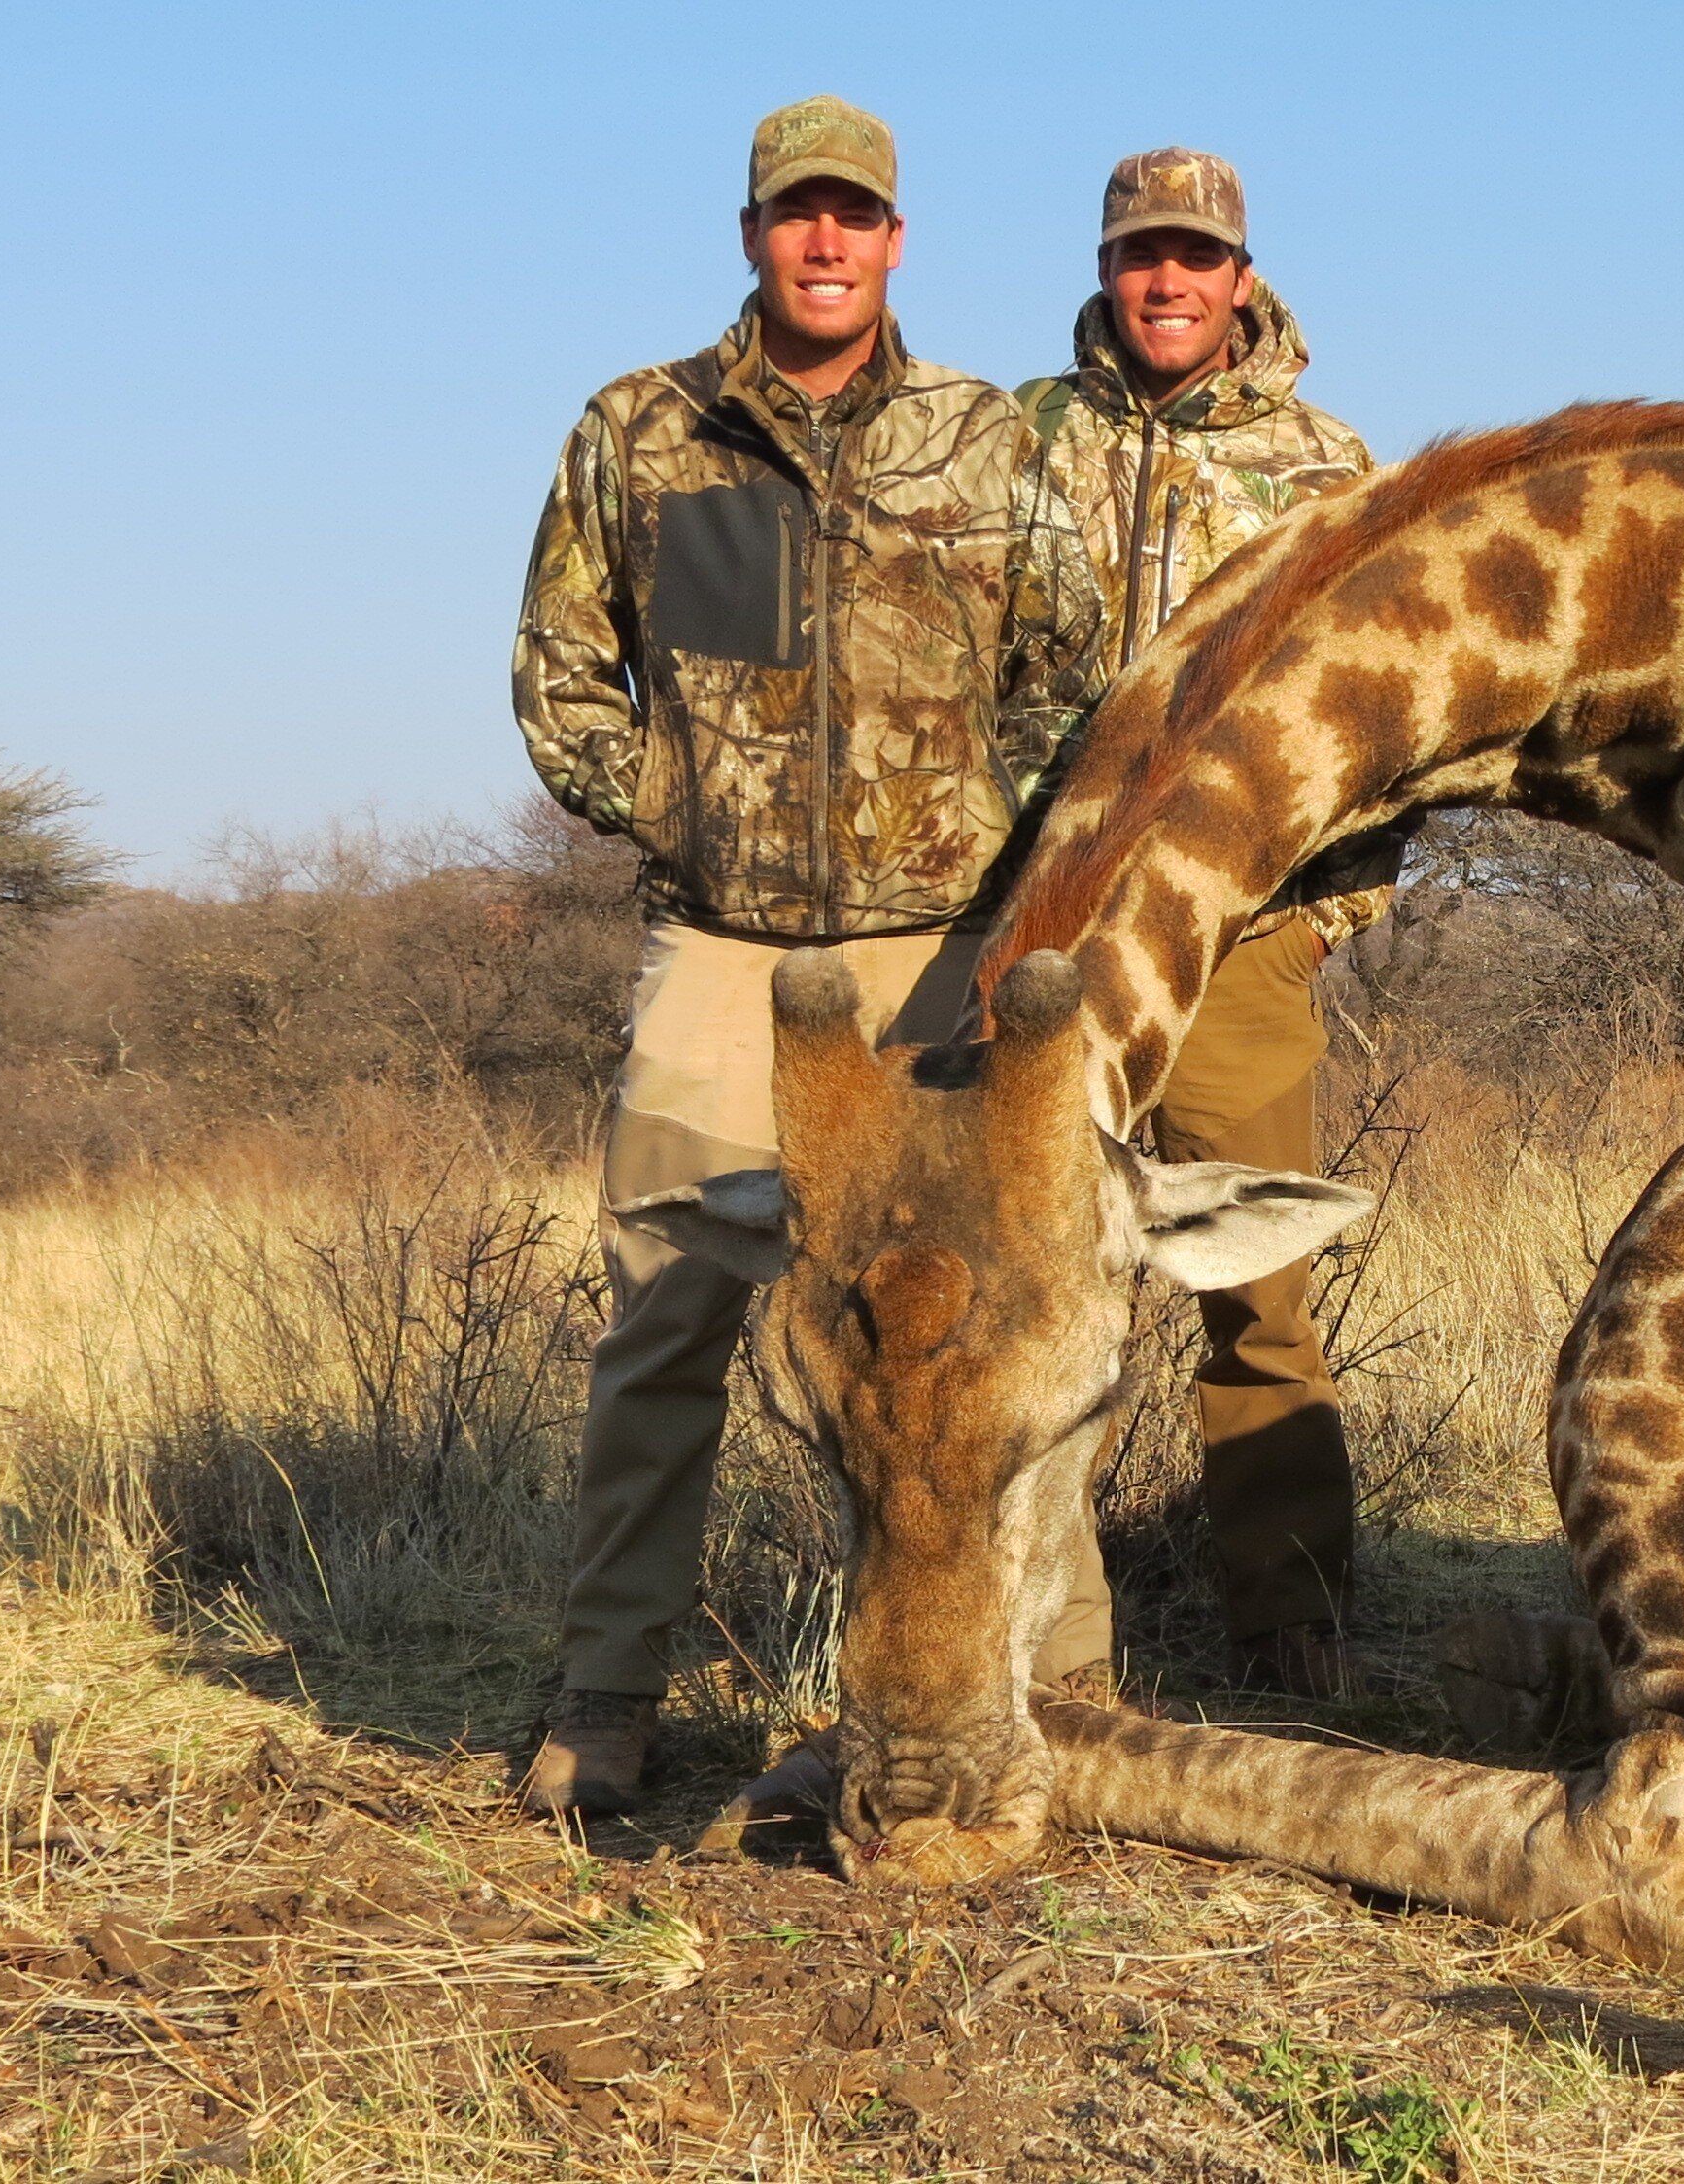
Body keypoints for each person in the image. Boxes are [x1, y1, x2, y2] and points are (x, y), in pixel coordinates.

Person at [508, 94, 1103, 1814]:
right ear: (754, 233)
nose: (825, 242)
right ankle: (611, 1690)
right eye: (796, 215)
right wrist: (679, 807)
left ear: (897, 238)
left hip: (946, 959)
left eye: (855, 216)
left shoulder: (989, 438)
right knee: (668, 1311)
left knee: (1011, 1320)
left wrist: (1000, 852)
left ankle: (1065, 1684)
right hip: (725, 954)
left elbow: (1070, 672)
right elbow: (559, 681)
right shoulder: (640, 431)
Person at [1010, 147, 1408, 1696]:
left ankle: (1291, 1621)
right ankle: (1053, 1634)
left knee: (1260, 1295)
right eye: (1138, 254)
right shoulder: (1017, 442)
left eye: (1193, 255)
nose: (1165, 281)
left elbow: (1390, 712)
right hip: (1051, 943)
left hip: (1246, 939)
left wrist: (1333, 912)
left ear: (1242, 274)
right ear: (1107, 270)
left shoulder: (1330, 466)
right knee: (1042, 1283)